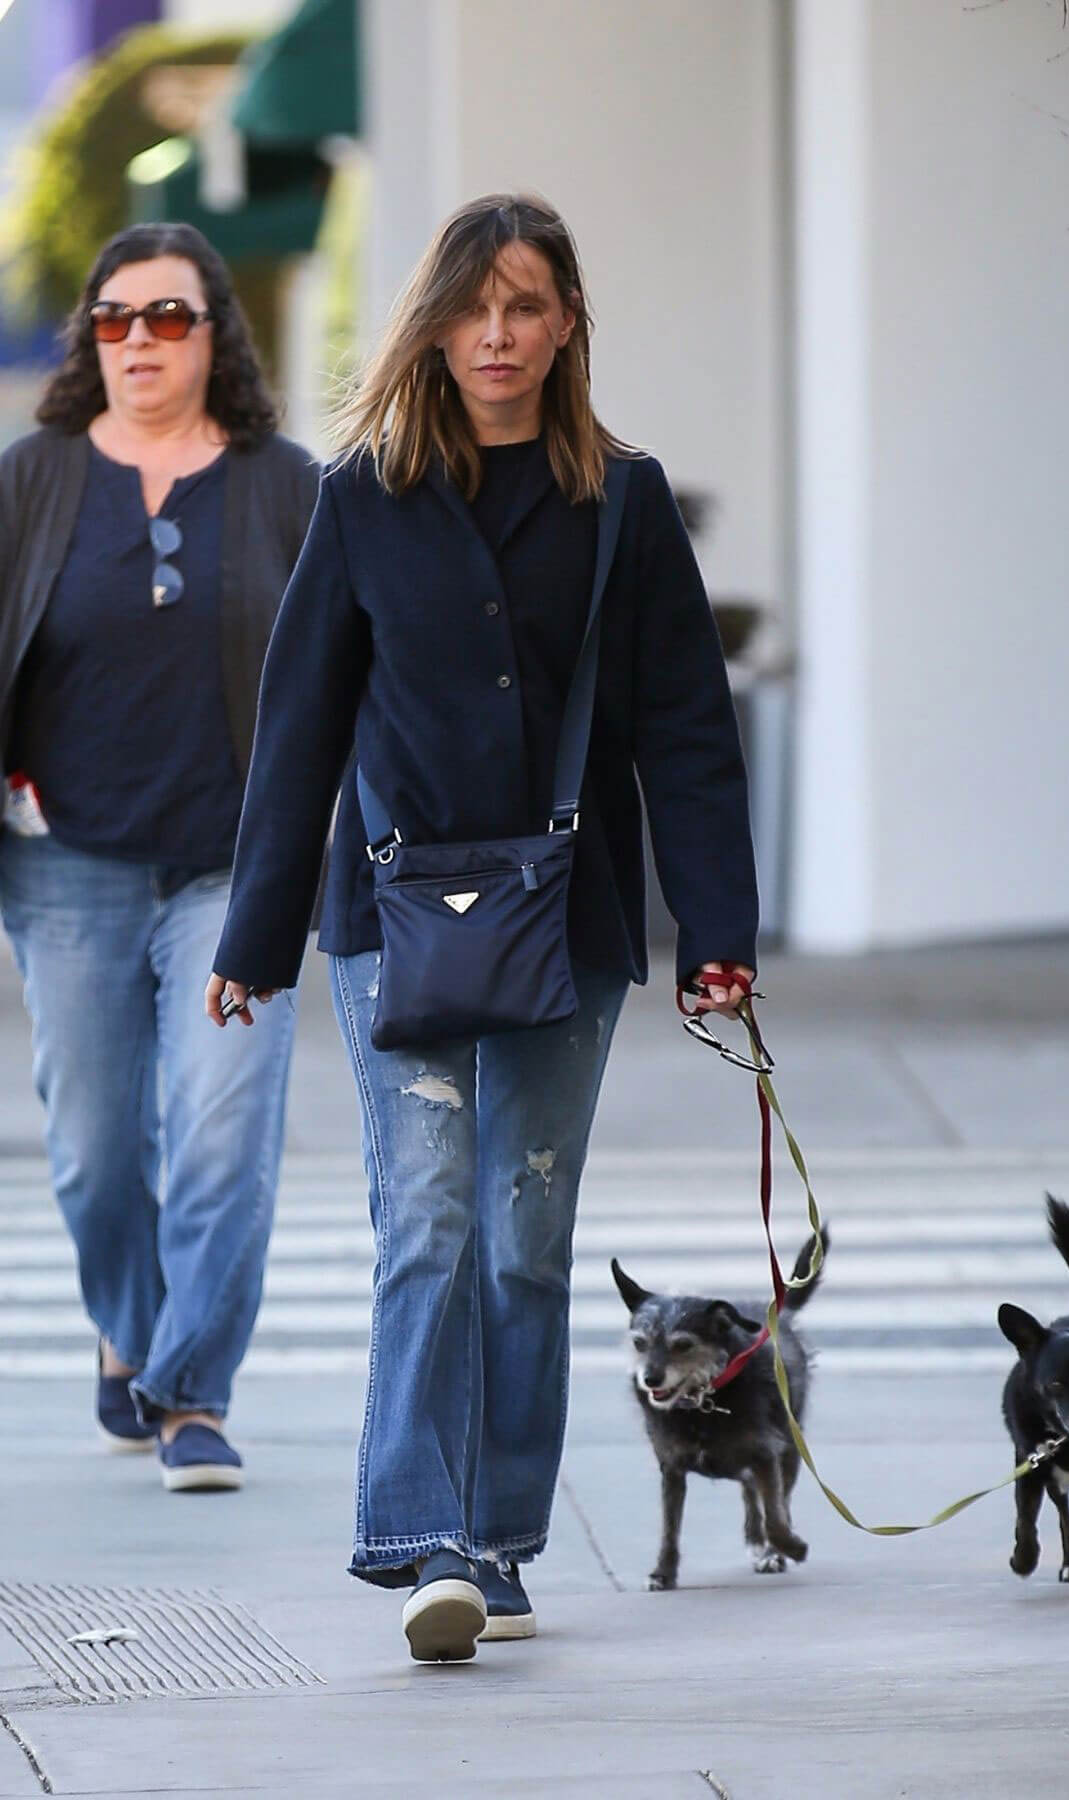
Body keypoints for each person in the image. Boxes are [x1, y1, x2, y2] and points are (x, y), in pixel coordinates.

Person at [207, 193, 758, 1657]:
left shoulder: (622, 499)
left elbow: (688, 730)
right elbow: (300, 727)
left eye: (527, 304)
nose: (498, 332)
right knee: (430, 1219)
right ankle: (425, 1536)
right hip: (400, 919)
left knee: (523, 1236)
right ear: (435, 323)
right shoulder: (362, 496)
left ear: (568, 319)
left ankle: (500, 1536)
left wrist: (717, 928)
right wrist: (255, 943)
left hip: (568, 928)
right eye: (474, 305)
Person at [0, 223, 318, 1491]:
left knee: (223, 1134)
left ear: (214, 334)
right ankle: (128, 1329)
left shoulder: (286, 483)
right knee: (91, 1146)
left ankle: (190, 1391)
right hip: (65, 862)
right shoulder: (30, 480)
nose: (140, 339)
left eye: (169, 317)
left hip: (234, 866)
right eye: (117, 318)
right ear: (93, 337)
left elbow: (345, 657)